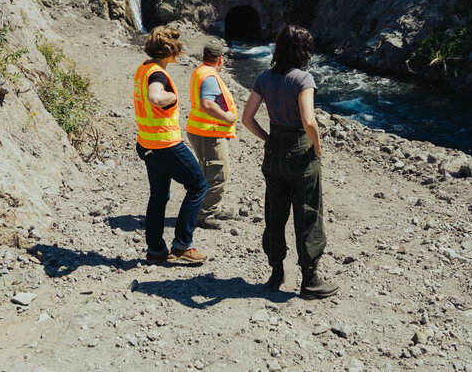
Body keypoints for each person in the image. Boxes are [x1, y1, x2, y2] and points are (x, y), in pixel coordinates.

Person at [241, 25, 339, 298]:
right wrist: (316, 147)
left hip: (273, 152)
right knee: (308, 215)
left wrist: (268, 139)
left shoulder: (264, 78)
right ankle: (309, 280)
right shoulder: (304, 79)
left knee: (275, 215)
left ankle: (275, 275)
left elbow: (246, 119)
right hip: (300, 152)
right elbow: (309, 120)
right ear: (302, 51)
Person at [133, 25, 208, 264]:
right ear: (170, 51)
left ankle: (156, 250)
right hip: (165, 145)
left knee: (159, 195)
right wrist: (172, 97)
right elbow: (155, 97)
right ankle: (182, 244)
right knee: (198, 186)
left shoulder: (144, 69)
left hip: (147, 143)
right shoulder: (157, 75)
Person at [186, 39, 238, 230]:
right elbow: (207, 104)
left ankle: (211, 208)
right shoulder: (209, 76)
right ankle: (204, 214)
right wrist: (227, 117)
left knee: (208, 171)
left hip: (199, 129)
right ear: (220, 59)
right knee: (218, 174)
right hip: (209, 132)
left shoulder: (200, 71)